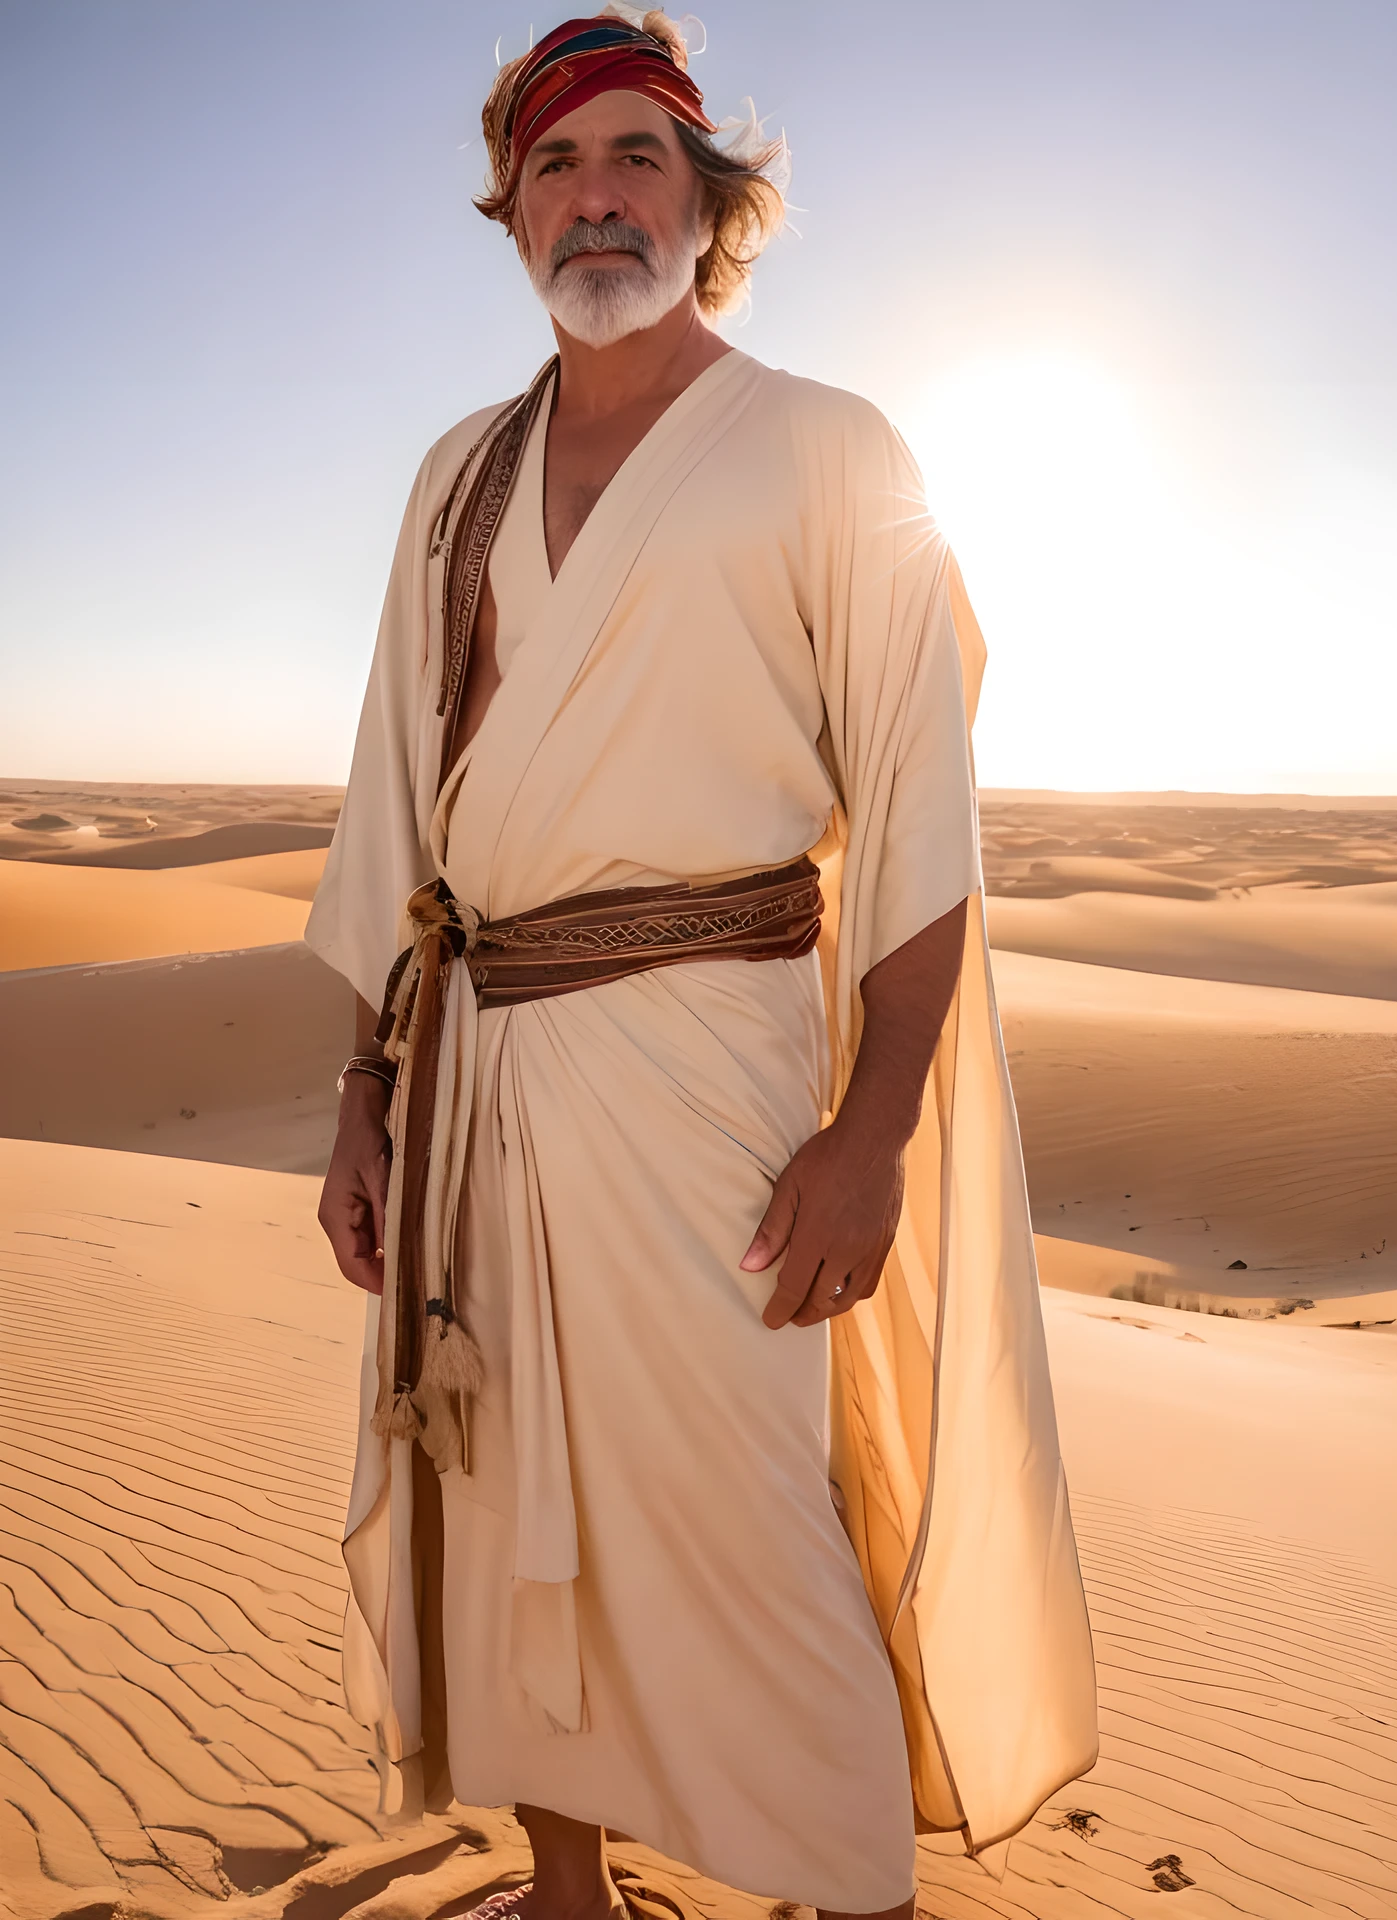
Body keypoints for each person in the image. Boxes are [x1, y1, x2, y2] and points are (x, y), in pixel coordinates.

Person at [306, 9, 1097, 1919]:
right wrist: (361, 1095)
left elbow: (918, 814)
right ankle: (568, 1893)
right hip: (474, 1078)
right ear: (511, 216)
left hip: (717, 1082)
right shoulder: (458, 477)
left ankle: (854, 1891)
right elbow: (397, 803)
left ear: (711, 205)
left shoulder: (830, 449)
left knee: (749, 1528)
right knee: (494, 1506)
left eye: (637, 159)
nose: (596, 200)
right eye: (557, 169)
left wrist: (874, 1122)